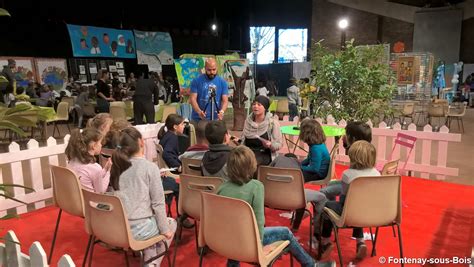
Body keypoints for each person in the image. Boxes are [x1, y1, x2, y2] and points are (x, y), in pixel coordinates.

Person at [217, 146, 335, 267]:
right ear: (252, 165)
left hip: (225, 239)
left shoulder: (221, 187)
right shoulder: (256, 187)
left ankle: (232, 264)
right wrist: (258, 249)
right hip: (248, 241)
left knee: (238, 228)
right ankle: (310, 265)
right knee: (286, 232)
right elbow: (259, 222)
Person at [110, 127, 176, 266]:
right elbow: (158, 203)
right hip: (139, 229)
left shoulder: (117, 166)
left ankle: (150, 257)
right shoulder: (149, 167)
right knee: (171, 224)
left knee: (151, 223)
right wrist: (165, 230)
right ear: (141, 142)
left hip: (117, 226)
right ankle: (151, 264)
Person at [320, 140, 380, 260]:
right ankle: (360, 242)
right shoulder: (377, 173)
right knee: (358, 206)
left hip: (349, 212)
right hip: (371, 212)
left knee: (325, 206)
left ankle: (325, 242)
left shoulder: (348, 174)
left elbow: (344, 195)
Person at [238, 95, 282, 166]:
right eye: (254, 104)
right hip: (248, 153)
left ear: (265, 108)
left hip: (264, 155)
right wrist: (238, 141)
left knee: (253, 163)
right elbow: (243, 141)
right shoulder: (248, 121)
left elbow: (278, 144)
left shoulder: (272, 123)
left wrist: (270, 145)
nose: (255, 106)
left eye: (259, 105)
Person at [65, 128, 111, 193]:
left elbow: (94, 176)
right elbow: (101, 192)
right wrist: (109, 172)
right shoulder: (95, 167)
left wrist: (106, 169)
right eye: (100, 143)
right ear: (94, 146)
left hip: (76, 201)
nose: (101, 145)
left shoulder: (72, 161)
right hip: (92, 202)